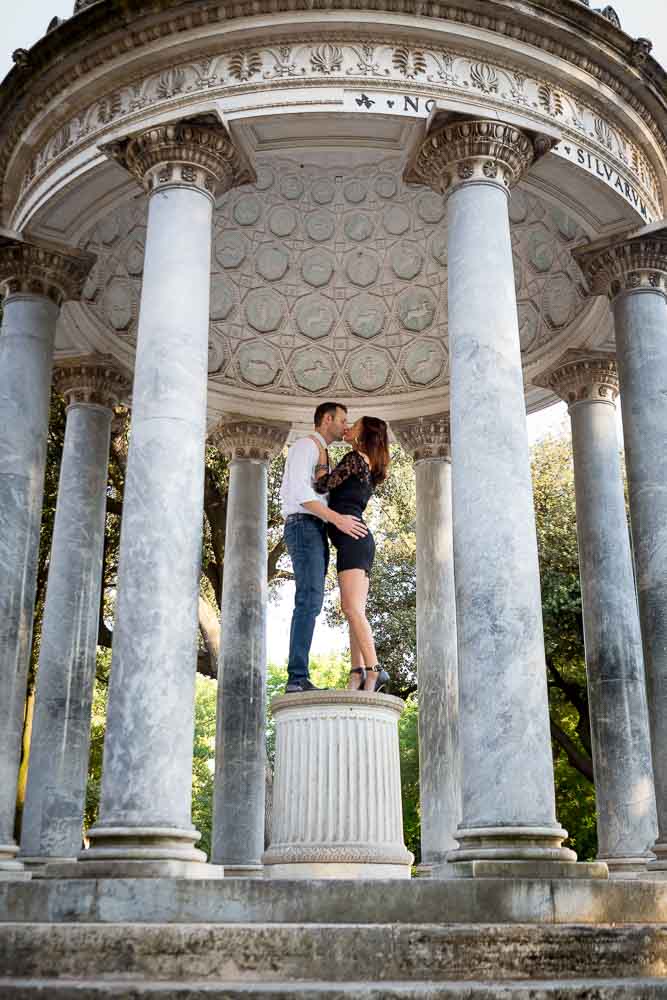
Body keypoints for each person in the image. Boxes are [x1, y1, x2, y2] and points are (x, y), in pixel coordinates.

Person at [280, 402, 368, 694]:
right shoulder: (306, 446)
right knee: (309, 599)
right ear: (327, 419)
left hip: (315, 528)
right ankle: (297, 678)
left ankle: (299, 675)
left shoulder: (325, 456)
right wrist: (338, 520)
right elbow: (301, 494)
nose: (346, 425)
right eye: (343, 420)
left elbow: (323, 488)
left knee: (313, 600)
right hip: (304, 524)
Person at [313, 415, 390, 693]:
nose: (348, 427)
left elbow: (322, 486)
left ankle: (375, 671)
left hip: (353, 539)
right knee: (353, 611)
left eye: (354, 424)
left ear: (363, 433)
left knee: (352, 609)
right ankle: (358, 673)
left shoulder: (355, 458)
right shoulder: (368, 464)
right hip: (356, 540)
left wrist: (321, 458)